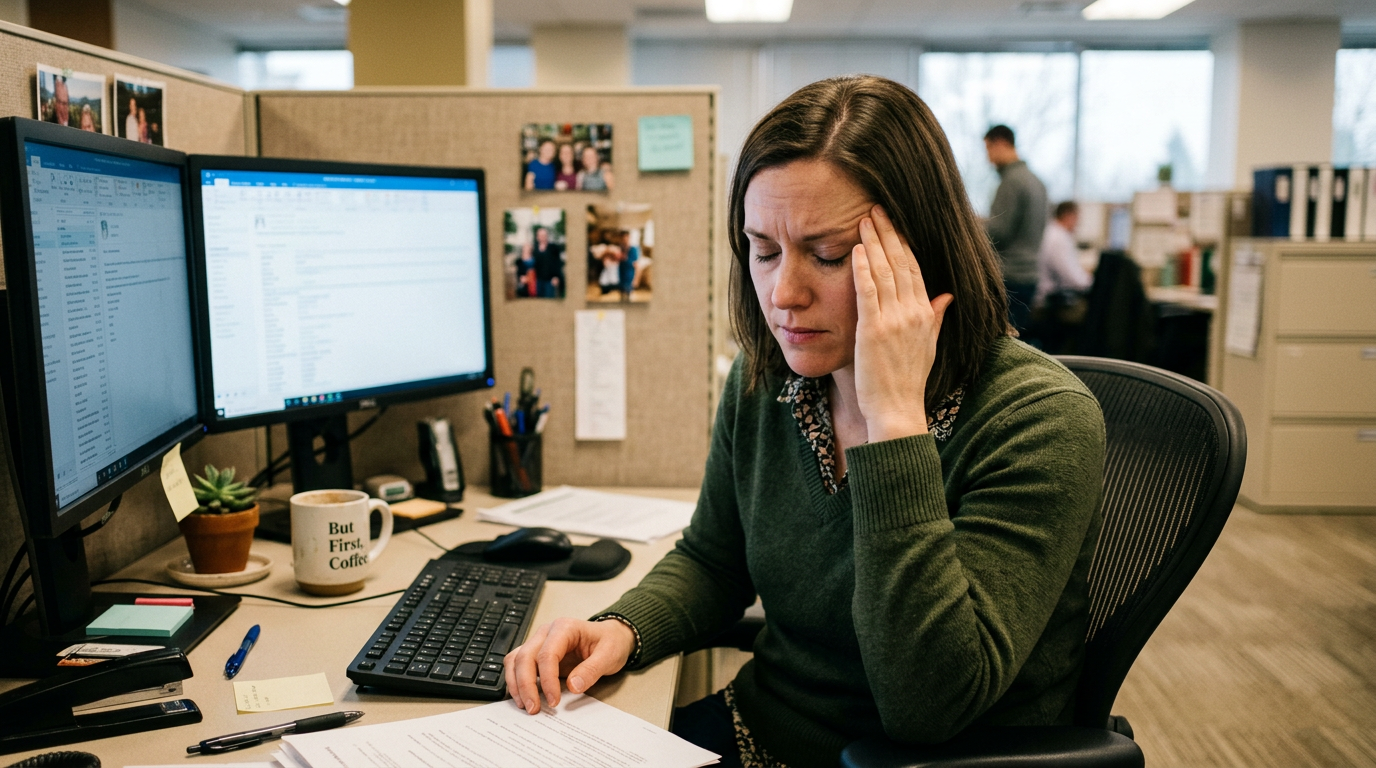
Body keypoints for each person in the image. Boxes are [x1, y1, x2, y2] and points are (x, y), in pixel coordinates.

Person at [504, 75, 1106, 768]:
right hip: (763, 728)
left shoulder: (1039, 419)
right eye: (763, 250)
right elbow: (713, 559)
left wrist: (894, 422)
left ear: (921, 251)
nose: (783, 294)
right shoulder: (770, 382)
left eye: (827, 254)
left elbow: (926, 705)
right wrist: (623, 627)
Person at [983, 125, 1047, 334]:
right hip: (1030, 276)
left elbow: (997, 232)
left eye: (988, 150)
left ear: (1000, 143)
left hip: (1009, 277)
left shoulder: (1011, 182)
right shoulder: (1037, 182)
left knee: (1001, 344)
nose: (988, 159)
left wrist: (968, 226)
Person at [1034, 201, 1093, 309]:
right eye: (1077, 218)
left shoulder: (1051, 231)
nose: (1077, 224)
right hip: (1048, 302)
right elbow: (1073, 279)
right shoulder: (1059, 238)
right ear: (1069, 216)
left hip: (1044, 295)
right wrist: (1092, 281)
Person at [531, 226, 564, 298]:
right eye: (540, 235)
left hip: (550, 281)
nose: (542, 237)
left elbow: (558, 263)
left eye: (544, 235)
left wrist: (557, 277)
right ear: (537, 237)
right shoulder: (534, 250)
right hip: (538, 281)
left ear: (547, 236)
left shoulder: (554, 248)